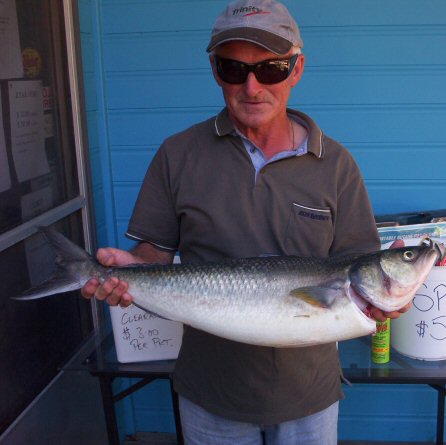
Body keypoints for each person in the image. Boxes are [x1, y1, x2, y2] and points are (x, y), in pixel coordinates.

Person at [82, 1, 408, 443]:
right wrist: (124, 272)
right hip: (210, 395)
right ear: (215, 71)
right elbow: (150, 257)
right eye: (233, 69)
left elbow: (359, 269)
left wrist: (389, 295)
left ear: (296, 69)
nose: (252, 86)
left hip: (308, 399)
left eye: (271, 68)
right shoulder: (177, 156)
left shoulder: (336, 164)